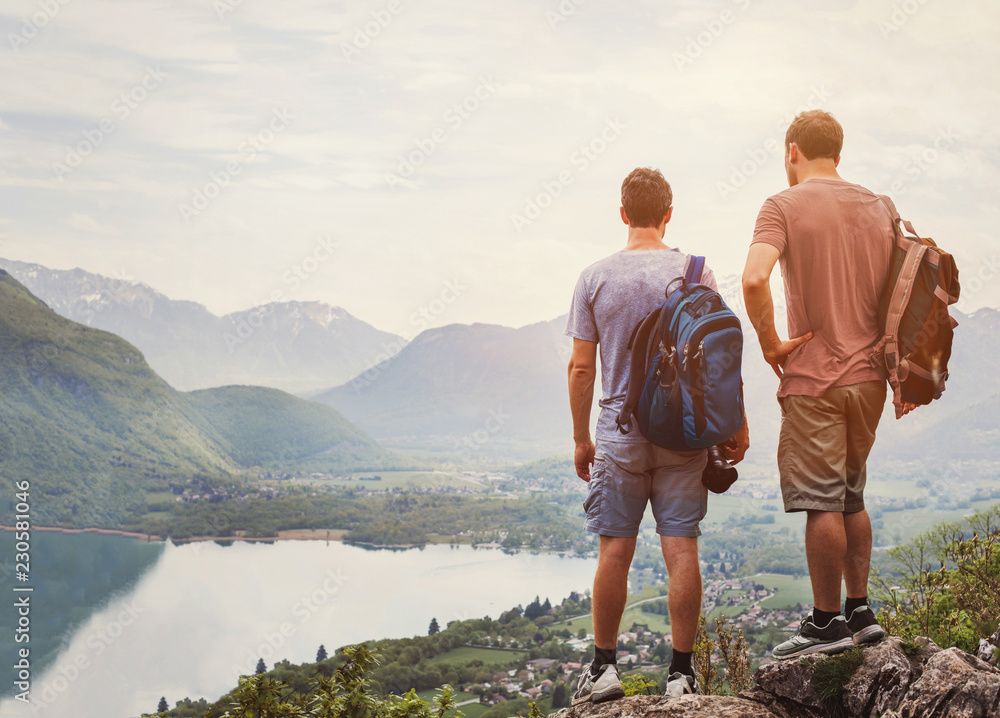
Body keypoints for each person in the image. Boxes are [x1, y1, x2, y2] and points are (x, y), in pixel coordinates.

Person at [566, 167, 750, 704]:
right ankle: (681, 675)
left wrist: (582, 439)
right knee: (681, 549)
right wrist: (736, 424)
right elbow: (721, 360)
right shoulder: (697, 272)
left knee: (614, 552)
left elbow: (581, 370)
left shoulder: (595, 277)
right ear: (669, 213)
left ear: (622, 213)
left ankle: (603, 670)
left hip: (618, 434)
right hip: (683, 435)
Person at [741, 110, 893, 659]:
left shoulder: (782, 205)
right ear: (839, 152)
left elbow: (755, 276)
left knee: (821, 501)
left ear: (791, 151)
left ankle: (826, 622)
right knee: (853, 493)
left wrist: (769, 341)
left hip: (815, 376)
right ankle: (862, 611)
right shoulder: (879, 206)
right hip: (871, 378)